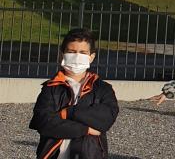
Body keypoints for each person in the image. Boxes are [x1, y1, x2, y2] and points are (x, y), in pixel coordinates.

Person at [30, 28, 119, 159]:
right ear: (62, 55)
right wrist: (85, 129)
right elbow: (44, 122)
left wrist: (68, 113)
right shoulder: (51, 87)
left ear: (91, 57)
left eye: (83, 52)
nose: (77, 57)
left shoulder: (103, 89)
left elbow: (106, 119)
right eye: (72, 52)